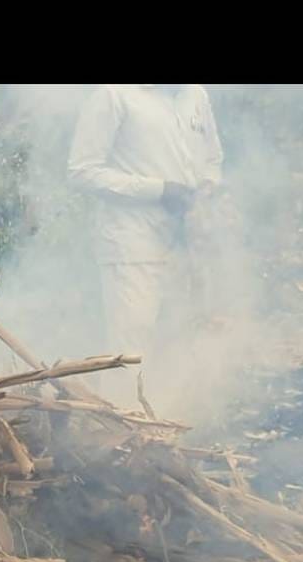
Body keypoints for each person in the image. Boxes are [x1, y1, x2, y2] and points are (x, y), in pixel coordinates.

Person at [68, 84, 223, 402]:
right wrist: (159, 190)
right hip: (131, 239)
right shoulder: (113, 95)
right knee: (132, 340)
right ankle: (124, 427)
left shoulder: (195, 94)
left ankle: (174, 415)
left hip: (185, 238)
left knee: (181, 330)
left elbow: (213, 158)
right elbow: (82, 172)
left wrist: (205, 191)